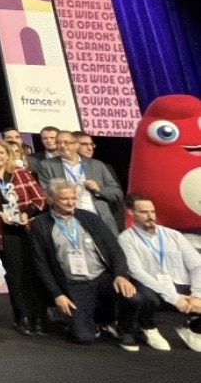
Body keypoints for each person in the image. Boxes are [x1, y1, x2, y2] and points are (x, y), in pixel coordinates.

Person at [31, 179, 140, 348]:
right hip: (74, 284)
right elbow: (41, 263)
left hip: (101, 277)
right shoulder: (41, 224)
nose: (70, 202)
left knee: (132, 297)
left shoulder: (89, 218)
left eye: (73, 198)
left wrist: (120, 276)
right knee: (84, 337)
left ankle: (125, 330)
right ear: (51, 199)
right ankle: (91, 321)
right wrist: (57, 294)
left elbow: (114, 249)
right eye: (64, 199)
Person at [0, 138, 48, 335]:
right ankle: (21, 316)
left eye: (1, 152)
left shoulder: (22, 173)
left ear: (8, 155)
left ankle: (39, 317)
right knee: (15, 275)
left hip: (27, 228)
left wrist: (27, 214)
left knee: (34, 273)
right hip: (2, 229)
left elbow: (40, 199)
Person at [118, 195, 201, 352]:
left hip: (179, 281)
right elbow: (137, 271)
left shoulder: (173, 235)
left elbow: (197, 264)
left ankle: (194, 329)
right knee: (145, 296)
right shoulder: (126, 238)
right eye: (144, 212)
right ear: (131, 213)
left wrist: (197, 295)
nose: (150, 217)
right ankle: (148, 327)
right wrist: (174, 297)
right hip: (152, 284)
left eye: (152, 212)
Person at [34, 130, 123, 235]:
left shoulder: (97, 165)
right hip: (69, 219)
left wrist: (99, 190)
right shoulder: (46, 166)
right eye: (59, 143)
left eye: (66, 142)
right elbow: (46, 193)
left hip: (99, 218)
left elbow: (117, 194)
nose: (62, 146)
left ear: (76, 145)